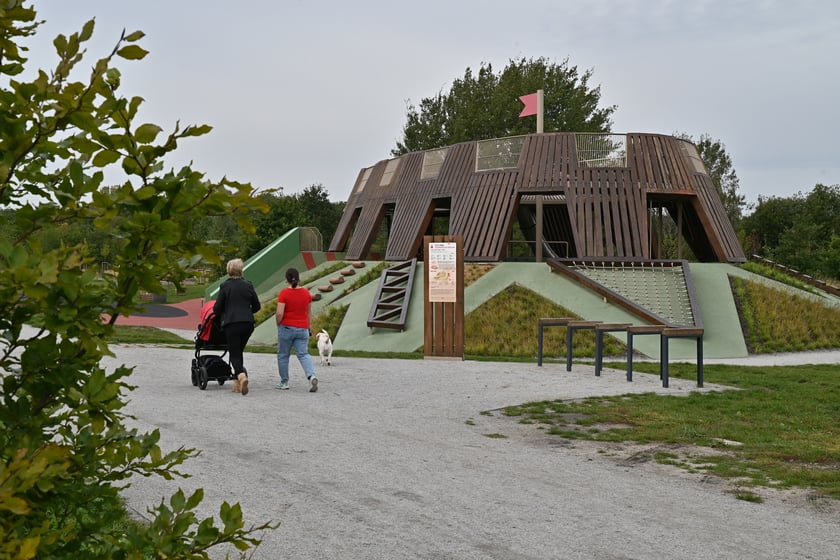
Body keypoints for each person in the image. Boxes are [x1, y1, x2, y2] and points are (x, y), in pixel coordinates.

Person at [213, 258, 261, 396]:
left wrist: (225, 312)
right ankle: (237, 384)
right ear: (241, 270)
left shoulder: (225, 286)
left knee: (234, 354)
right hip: (247, 324)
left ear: (229, 270)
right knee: (238, 352)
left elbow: (217, 309)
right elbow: (257, 306)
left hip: (232, 324)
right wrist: (246, 312)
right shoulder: (248, 285)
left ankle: (241, 376)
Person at [275, 267, 318, 392]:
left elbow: (279, 313)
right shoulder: (306, 293)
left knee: (283, 355)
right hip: (303, 327)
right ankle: (311, 376)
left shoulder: (284, 293)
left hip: (287, 327)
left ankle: (284, 382)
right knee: (303, 354)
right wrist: (308, 327)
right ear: (299, 278)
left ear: (286, 279)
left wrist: (278, 323)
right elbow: (308, 313)